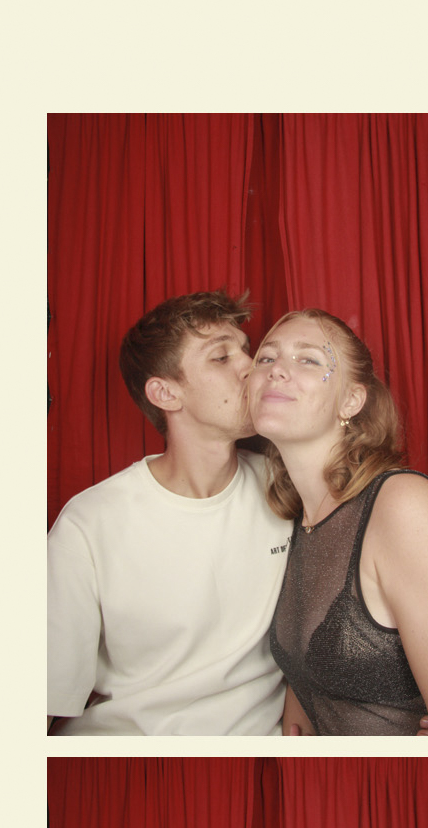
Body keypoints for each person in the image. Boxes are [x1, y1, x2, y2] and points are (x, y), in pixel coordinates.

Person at [47, 290, 291, 735]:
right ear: (165, 393)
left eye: (247, 350)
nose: (251, 367)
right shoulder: (90, 522)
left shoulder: (289, 485)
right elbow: (46, 694)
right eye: (221, 357)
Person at [248, 310, 428, 735]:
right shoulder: (299, 520)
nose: (277, 370)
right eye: (266, 358)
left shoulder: (403, 507)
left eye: (308, 360)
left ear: (351, 401)